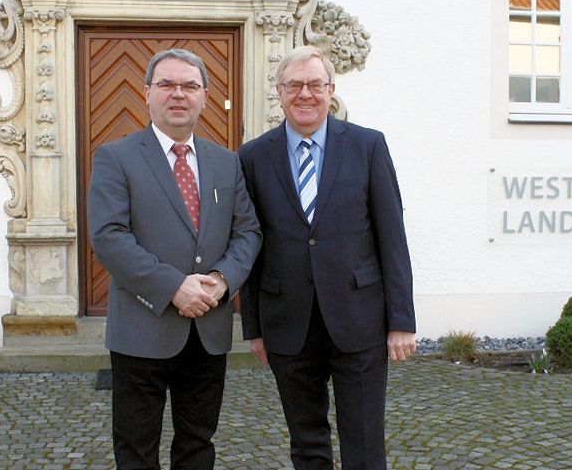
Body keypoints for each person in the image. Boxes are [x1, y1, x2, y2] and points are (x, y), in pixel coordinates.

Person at [238, 46, 416, 470]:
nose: (305, 94)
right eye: (295, 85)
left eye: (315, 85)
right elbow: (250, 241)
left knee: (365, 440)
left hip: (360, 317)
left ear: (330, 91)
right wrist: (254, 328)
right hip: (287, 322)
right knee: (306, 441)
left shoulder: (368, 146)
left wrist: (401, 321)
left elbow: (392, 236)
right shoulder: (252, 156)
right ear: (279, 93)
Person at [88, 48, 261, 470]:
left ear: (204, 96)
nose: (177, 94)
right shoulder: (116, 157)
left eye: (189, 86)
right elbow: (109, 237)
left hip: (208, 328)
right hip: (142, 329)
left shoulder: (226, 162)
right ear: (147, 93)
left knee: (198, 444)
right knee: (136, 448)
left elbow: (248, 231)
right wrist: (173, 287)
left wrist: (221, 280)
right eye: (166, 84)